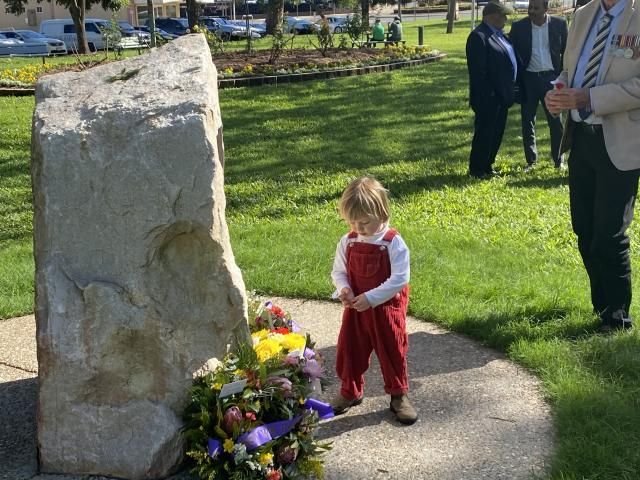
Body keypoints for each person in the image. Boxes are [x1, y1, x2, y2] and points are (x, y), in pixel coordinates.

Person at [545, 0, 640, 331]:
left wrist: (589, 98)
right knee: (584, 227)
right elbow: (570, 71)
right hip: (581, 139)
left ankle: (618, 319)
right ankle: (603, 306)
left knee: (609, 233)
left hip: (621, 143)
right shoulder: (583, 15)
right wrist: (557, 90)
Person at [330, 176, 417, 425]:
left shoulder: (392, 243)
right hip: (356, 309)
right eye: (353, 221)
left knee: (392, 351)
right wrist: (344, 289)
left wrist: (372, 298)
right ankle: (350, 391)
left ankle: (398, 395)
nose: (359, 227)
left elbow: (400, 278)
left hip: (386, 310)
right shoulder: (348, 241)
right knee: (350, 350)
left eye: (365, 222)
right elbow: (339, 272)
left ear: (382, 212)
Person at [509, 0, 568, 170]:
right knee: (528, 120)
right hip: (529, 79)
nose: (532, 11)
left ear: (546, 9)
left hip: (552, 79)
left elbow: (568, 50)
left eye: (536, 8)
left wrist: (562, 76)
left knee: (556, 121)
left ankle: (559, 160)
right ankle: (531, 161)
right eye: (530, 8)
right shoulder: (519, 27)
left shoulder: (559, 24)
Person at [465, 1, 519, 179]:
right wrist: (491, 94)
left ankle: (488, 165)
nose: (505, 19)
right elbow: (478, 72)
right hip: (488, 97)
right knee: (485, 133)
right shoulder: (478, 36)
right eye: (503, 15)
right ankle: (477, 168)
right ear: (492, 15)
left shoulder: (500, 35)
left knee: (496, 133)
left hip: (503, 95)